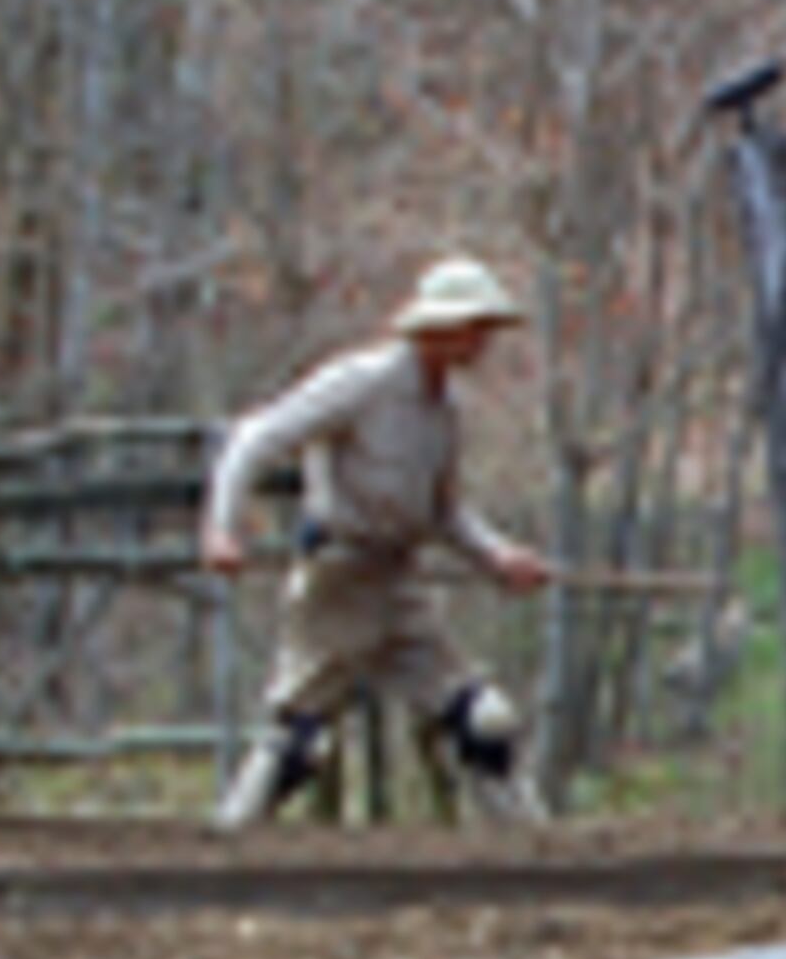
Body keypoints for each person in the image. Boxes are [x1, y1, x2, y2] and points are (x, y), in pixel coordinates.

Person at [204, 252, 553, 826]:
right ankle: (229, 849)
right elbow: (254, 440)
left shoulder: (445, 409)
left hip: (400, 585)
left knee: (484, 723)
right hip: (339, 581)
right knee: (296, 744)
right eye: (474, 326)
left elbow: (443, 512)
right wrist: (221, 526)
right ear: (438, 328)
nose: (482, 340)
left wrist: (498, 554)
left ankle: (532, 851)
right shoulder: (361, 384)